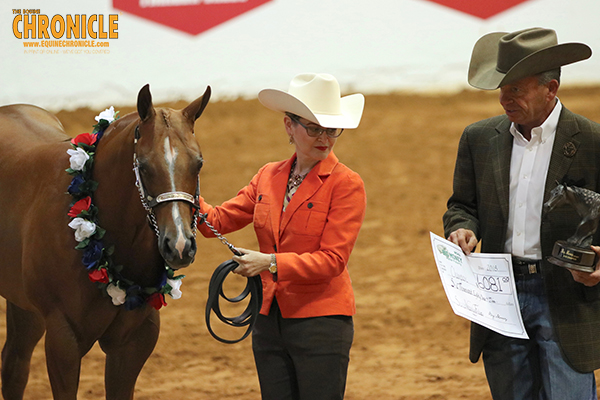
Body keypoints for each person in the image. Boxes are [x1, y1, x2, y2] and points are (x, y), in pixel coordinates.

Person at [443, 27, 600, 399]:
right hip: (501, 293)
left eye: (516, 88)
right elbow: (462, 206)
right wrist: (462, 229)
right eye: (502, 88)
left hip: (564, 293)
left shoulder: (593, 142)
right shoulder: (479, 138)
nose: (504, 99)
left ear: (551, 88)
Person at [197, 73, 366, 400]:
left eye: (331, 129)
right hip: (268, 322)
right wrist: (182, 189)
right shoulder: (267, 176)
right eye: (314, 128)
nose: (324, 138)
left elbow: (332, 261)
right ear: (289, 126)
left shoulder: (346, 184)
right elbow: (213, 222)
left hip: (321, 322)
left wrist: (270, 263)